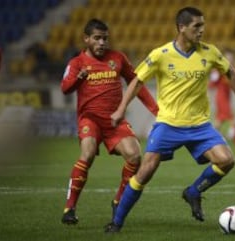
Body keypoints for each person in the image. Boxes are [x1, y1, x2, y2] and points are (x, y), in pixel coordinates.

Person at [104, 7, 235, 233]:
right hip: (168, 124)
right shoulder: (161, 54)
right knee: (145, 171)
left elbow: (230, 72)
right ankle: (117, 222)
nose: (202, 30)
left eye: (203, 25)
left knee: (226, 160)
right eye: (196, 26)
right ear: (181, 28)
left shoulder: (209, 52)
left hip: (200, 125)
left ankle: (193, 192)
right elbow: (136, 81)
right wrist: (120, 109)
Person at [60, 18, 158, 225]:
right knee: (86, 155)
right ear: (86, 39)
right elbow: (65, 88)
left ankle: (118, 201)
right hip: (90, 119)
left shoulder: (118, 58)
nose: (102, 42)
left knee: (134, 156)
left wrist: (155, 109)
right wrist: (79, 77)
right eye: (97, 38)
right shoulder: (77, 63)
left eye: (105, 38)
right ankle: (70, 208)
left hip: (115, 120)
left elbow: (136, 83)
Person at [209, 48, 235, 156]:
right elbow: (211, 84)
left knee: (218, 124)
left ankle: (208, 144)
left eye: (231, 57)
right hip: (222, 99)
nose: (230, 59)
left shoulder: (230, 70)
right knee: (233, 122)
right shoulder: (219, 70)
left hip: (225, 99)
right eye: (228, 57)